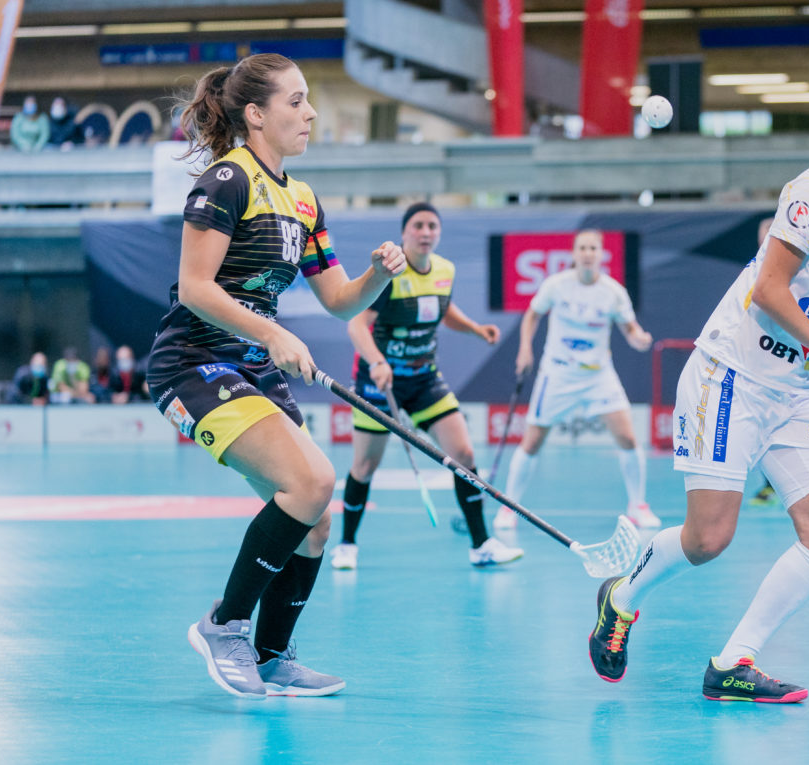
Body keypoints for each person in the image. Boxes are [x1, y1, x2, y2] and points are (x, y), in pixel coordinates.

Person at [588, 94, 809, 703]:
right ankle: (620, 597)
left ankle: (733, 662)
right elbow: (769, 290)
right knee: (708, 540)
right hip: (728, 373)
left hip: (795, 393)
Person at [146, 53, 407, 699]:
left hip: (253, 366)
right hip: (194, 366)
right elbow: (196, 287)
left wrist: (378, 272)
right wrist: (272, 331)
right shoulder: (227, 180)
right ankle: (224, 623)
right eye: (296, 100)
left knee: (318, 517)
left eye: (308, 98)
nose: (311, 111)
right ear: (256, 114)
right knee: (314, 479)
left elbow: (340, 299)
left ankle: (272, 655)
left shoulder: (303, 200)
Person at [330, 202, 522, 571]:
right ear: (404, 234)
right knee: (365, 464)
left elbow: (443, 310)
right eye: (418, 225)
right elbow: (356, 324)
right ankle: (347, 545)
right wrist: (378, 362)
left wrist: (477, 329)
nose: (425, 232)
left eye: (432, 225)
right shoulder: (389, 274)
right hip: (379, 381)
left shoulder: (445, 270)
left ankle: (481, 544)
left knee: (463, 456)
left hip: (423, 379)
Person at [493, 229, 658, 535]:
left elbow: (630, 329)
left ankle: (638, 505)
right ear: (574, 253)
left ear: (600, 254)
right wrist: (525, 348)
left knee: (628, 438)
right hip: (557, 374)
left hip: (598, 375)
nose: (587, 253)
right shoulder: (556, 286)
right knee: (532, 441)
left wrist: (640, 340)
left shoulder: (613, 291)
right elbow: (532, 315)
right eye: (582, 247)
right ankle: (509, 507)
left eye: (593, 248)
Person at [746, 214, 780, 509]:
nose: (768, 235)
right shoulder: (752, 272)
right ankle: (770, 484)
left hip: (783, 366)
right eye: (764, 231)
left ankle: (776, 485)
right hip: (752, 364)